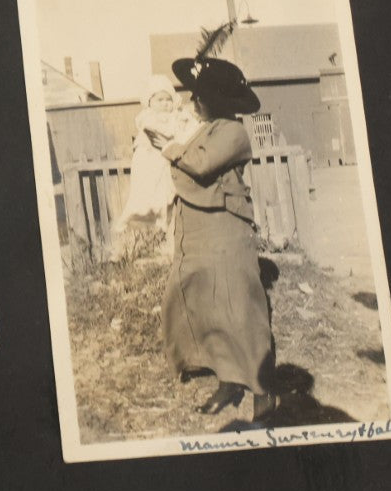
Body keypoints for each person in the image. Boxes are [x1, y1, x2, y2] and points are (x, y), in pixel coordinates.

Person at [148, 57, 276, 421]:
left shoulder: (233, 132)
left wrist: (171, 148)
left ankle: (263, 388)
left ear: (216, 101)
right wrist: (177, 149)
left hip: (225, 230)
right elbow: (189, 161)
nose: (192, 103)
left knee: (240, 309)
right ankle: (228, 378)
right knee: (206, 305)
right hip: (199, 231)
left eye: (198, 98)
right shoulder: (204, 129)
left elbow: (200, 165)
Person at [114, 75, 197, 255]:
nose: (165, 104)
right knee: (145, 193)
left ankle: (162, 223)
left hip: (166, 159)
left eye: (168, 99)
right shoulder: (148, 117)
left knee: (166, 194)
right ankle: (133, 217)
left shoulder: (176, 115)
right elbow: (161, 133)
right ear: (150, 102)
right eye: (160, 99)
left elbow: (185, 132)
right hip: (149, 158)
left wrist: (182, 120)